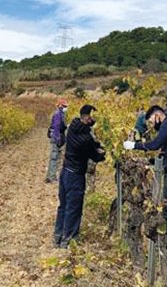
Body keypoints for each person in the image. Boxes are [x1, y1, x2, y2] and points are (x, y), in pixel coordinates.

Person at [122, 105, 167, 261]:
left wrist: (134, 145)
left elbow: (155, 145)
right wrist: (149, 161)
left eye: (152, 120)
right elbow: (164, 154)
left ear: (158, 115)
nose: (153, 125)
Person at [53, 104, 106, 248]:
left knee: (63, 206)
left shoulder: (73, 127)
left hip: (65, 173)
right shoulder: (85, 138)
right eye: (92, 117)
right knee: (73, 208)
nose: (94, 120)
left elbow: (90, 141)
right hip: (76, 176)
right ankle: (68, 240)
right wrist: (104, 154)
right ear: (88, 118)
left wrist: (95, 143)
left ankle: (57, 236)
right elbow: (95, 156)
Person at [46, 99, 69, 183]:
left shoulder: (61, 114)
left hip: (58, 137)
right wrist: (58, 139)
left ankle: (52, 176)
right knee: (54, 157)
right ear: (60, 106)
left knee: (57, 157)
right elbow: (56, 127)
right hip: (56, 138)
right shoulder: (58, 114)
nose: (66, 108)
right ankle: (51, 177)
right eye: (64, 106)